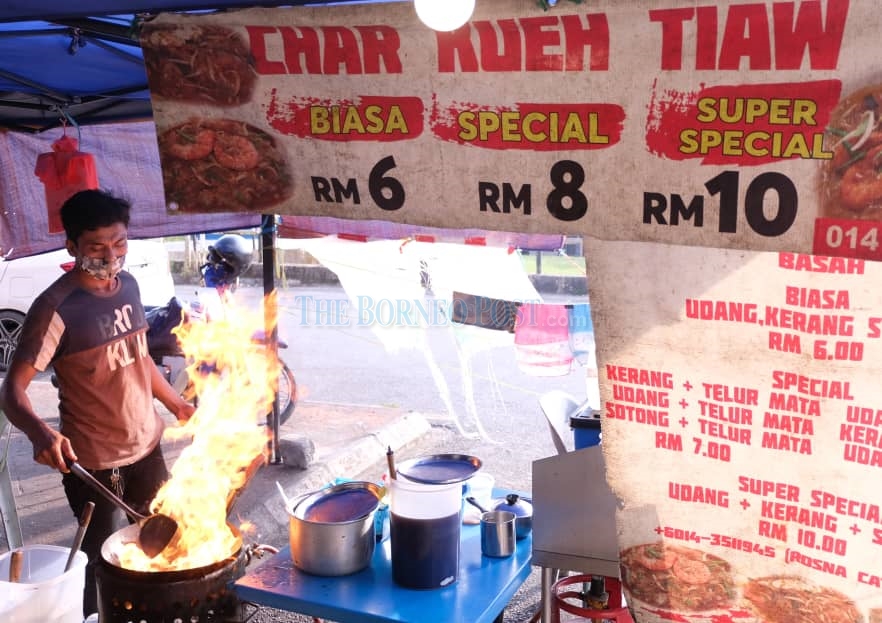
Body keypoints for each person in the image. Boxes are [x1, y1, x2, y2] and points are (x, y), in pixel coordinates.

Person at [0, 189, 196, 616]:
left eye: (119, 242)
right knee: (105, 564)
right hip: (95, 465)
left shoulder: (129, 286)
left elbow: (138, 356)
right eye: (97, 247)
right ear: (72, 246)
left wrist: (176, 404)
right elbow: (11, 391)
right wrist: (40, 433)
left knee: (162, 546)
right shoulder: (55, 308)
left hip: (147, 448)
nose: (111, 256)